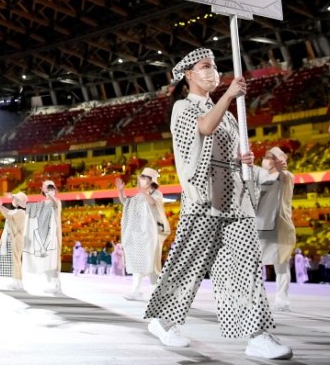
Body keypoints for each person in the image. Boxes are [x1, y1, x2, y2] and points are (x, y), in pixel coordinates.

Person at [144, 48, 291, 360]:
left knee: (246, 267)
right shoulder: (183, 108)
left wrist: (241, 160)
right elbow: (203, 130)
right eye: (205, 66)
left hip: (235, 199)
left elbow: (224, 147)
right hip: (204, 199)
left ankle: (257, 336)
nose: (212, 71)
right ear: (188, 74)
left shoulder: (222, 111)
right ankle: (162, 320)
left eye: (214, 66)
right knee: (189, 267)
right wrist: (229, 96)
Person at [251, 147, 296, 311]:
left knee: (281, 261)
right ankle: (253, 296)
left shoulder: (286, 176)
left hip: (279, 225)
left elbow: (283, 177)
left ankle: (282, 299)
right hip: (259, 225)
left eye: (272, 157)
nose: (267, 160)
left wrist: (281, 169)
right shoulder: (258, 176)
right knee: (253, 263)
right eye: (266, 157)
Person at [115, 168, 169, 301]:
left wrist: (142, 191)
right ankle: (136, 291)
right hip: (139, 235)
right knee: (138, 265)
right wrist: (121, 191)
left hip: (150, 234)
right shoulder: (138, 196)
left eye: (145, 177)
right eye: (141, 176)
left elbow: (152, 203)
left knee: (151, 265)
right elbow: (125, 202)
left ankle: (158, 293)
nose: (141, 178)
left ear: (151, 181)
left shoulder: (157, 194)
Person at [24, 180, 64, 294]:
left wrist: (50, 196)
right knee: (47, 260)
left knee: (55, 259)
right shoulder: (43, 202)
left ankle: (57, 284)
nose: (44, 189)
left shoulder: (57, 201)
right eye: (44, 187)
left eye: (48, 187)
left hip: (54, 233)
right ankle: (52, 282)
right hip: (44, 235)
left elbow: (56, 205)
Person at [0, 192, 28, 290]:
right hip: (15, 237)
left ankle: (18, 281)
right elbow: (9, 212)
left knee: (16, 260)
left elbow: (8, 215)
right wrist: (1, 206)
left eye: (16, 199)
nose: (14, 201)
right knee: (15, 260)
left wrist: (1, 207)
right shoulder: (17, 211)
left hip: (17, 238)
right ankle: (16, 281)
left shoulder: (20, 212)